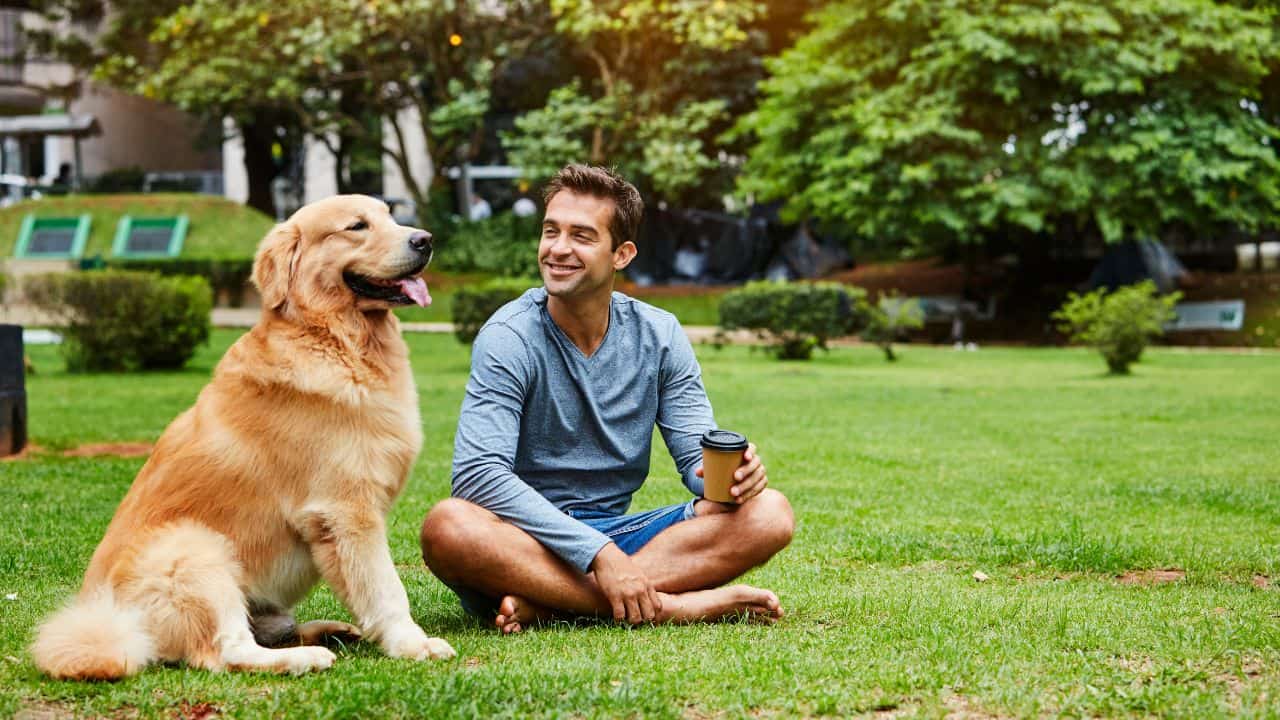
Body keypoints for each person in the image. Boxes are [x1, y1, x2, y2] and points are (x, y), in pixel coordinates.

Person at [420, 164, 794, 633]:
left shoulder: (659, 335)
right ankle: (673, 606)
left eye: (581, 236)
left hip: (624, 539)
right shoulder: (509, 336)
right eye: (551, 231)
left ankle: (556, 606)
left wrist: (732, 479)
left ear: (622, 253)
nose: (557, 248)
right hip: (523, 541)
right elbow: (478, 477)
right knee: (448, 526)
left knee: (770, 513)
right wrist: (596, 554)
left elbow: (697, 463)